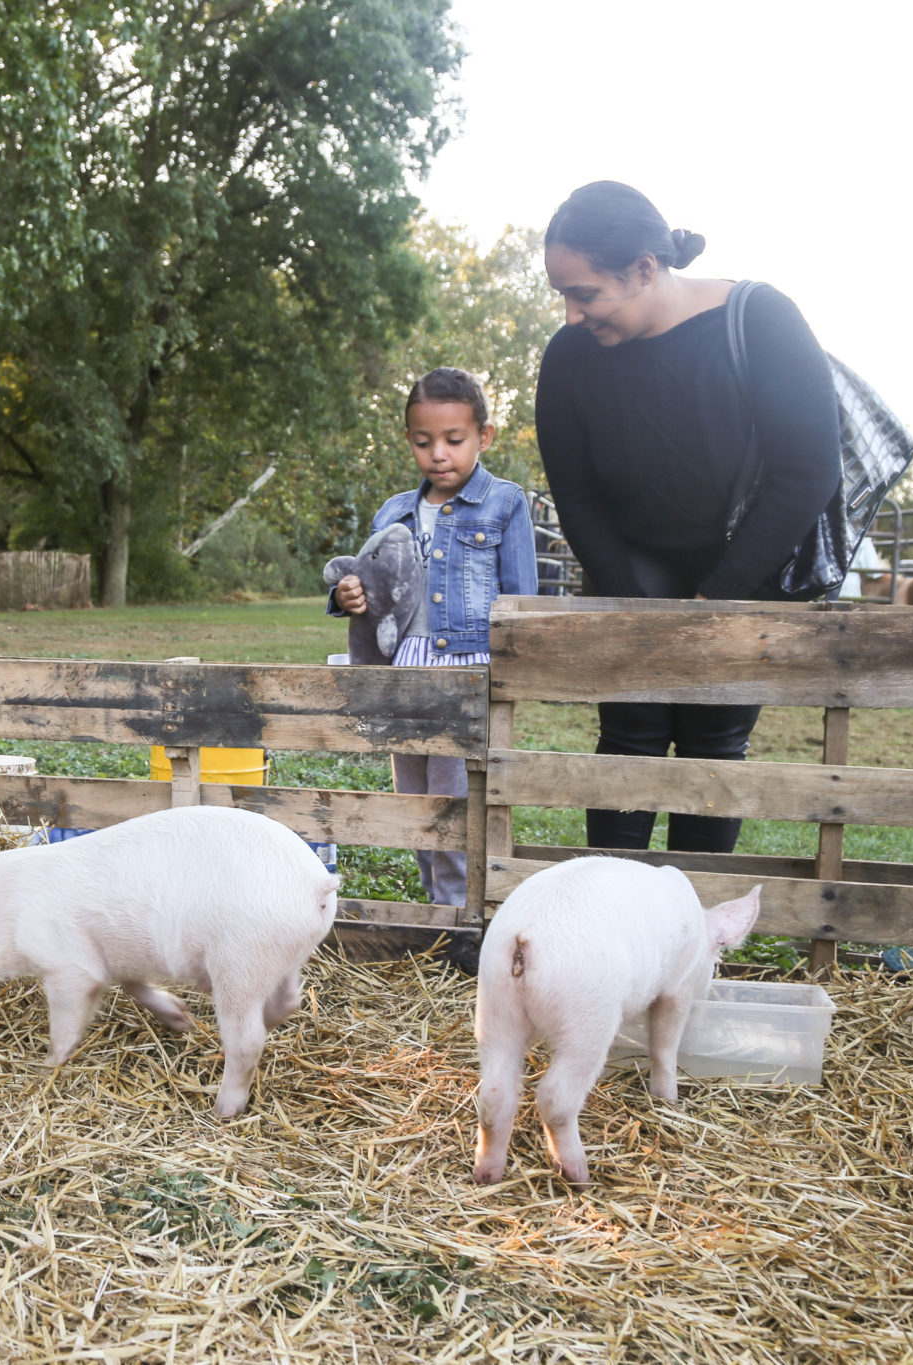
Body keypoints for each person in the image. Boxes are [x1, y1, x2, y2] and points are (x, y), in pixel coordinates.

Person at [533, 180, 840, 854]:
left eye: (584, 293)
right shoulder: (568, 359)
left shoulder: (761, 319)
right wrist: (634, 608)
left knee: (714, 739)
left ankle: (693, 925)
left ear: (644, 268)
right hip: (631, 565)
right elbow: (577, 496)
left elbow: (808, 471)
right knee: (630, 735)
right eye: (562, 293)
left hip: (741, 566)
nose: (572, 312)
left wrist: (715, 600)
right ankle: (612, 927)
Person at [331, 368, 537, 906]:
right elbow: (370, 584)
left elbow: (522, 602)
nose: (438, 454)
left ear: (484, 437)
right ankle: (434, 903)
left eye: (454, 440)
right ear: (409, 441)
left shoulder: (505, 504)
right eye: (424, 443)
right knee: (413, 801)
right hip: (402, 674)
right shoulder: (394, 511)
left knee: (453, 799)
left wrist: (507, 679)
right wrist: (346, 596)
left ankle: (459, 910)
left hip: (462, 676)